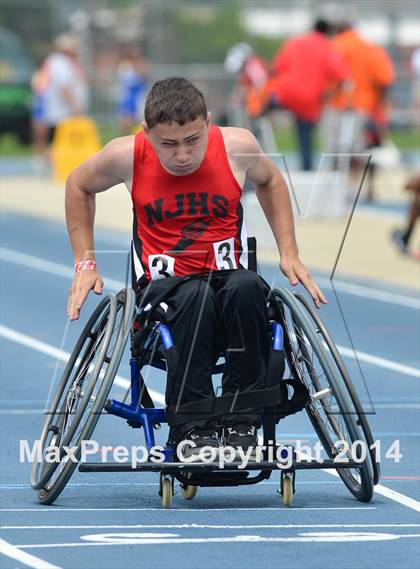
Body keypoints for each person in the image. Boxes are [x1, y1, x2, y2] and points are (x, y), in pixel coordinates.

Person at [65, 77, 326, 458]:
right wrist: (85, 263)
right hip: (165, 296)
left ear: (208, 122)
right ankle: (193, 426)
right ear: (147, 134)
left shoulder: (237, 146)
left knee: (250, 287)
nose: (183, 154)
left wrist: (289, 251)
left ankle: (242, 421)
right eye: (168, 144)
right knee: (195, 295)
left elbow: (270, 181)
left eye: (193, 140)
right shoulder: (126, 155)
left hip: (229, 285)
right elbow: (77, 185)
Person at [322, 21, 395, 201]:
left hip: (338, 105)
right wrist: (379, 107)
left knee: (336, 150)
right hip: (365, 106)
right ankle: (369, 189)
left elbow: (329, 73)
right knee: (367, 149)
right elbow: (385, 79)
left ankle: (336, 191)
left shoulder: (335, 45)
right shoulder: (371, 48)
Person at [271, 19, 348, 171]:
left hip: (285, 93)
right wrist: (328, 94)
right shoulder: (327, 47)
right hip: (309, 99)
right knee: (305, 134)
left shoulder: (294, 42)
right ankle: (306, 168)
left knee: (260, 111)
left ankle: (253, 140)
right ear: (327, 32)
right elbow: (342, 77)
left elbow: (278, 67)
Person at [42, 33, 89, 142]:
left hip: (65, 114)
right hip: (62, 114)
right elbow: (64, 87)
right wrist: (75, 106)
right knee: (60, 143)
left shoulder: (65, 62)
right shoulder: (59, 62)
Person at [117, 45, 149, 135]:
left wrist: (137, 65)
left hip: (138, 96)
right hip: (127, 96)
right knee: (125, 122)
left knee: (142, 122)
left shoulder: (142, 64)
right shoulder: (124, 65)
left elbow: (143, 77)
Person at [391, 173, 420, 257]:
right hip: (416, 207)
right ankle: (405, 239)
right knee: (413, 214)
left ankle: (405, 239)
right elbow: (407, 186)